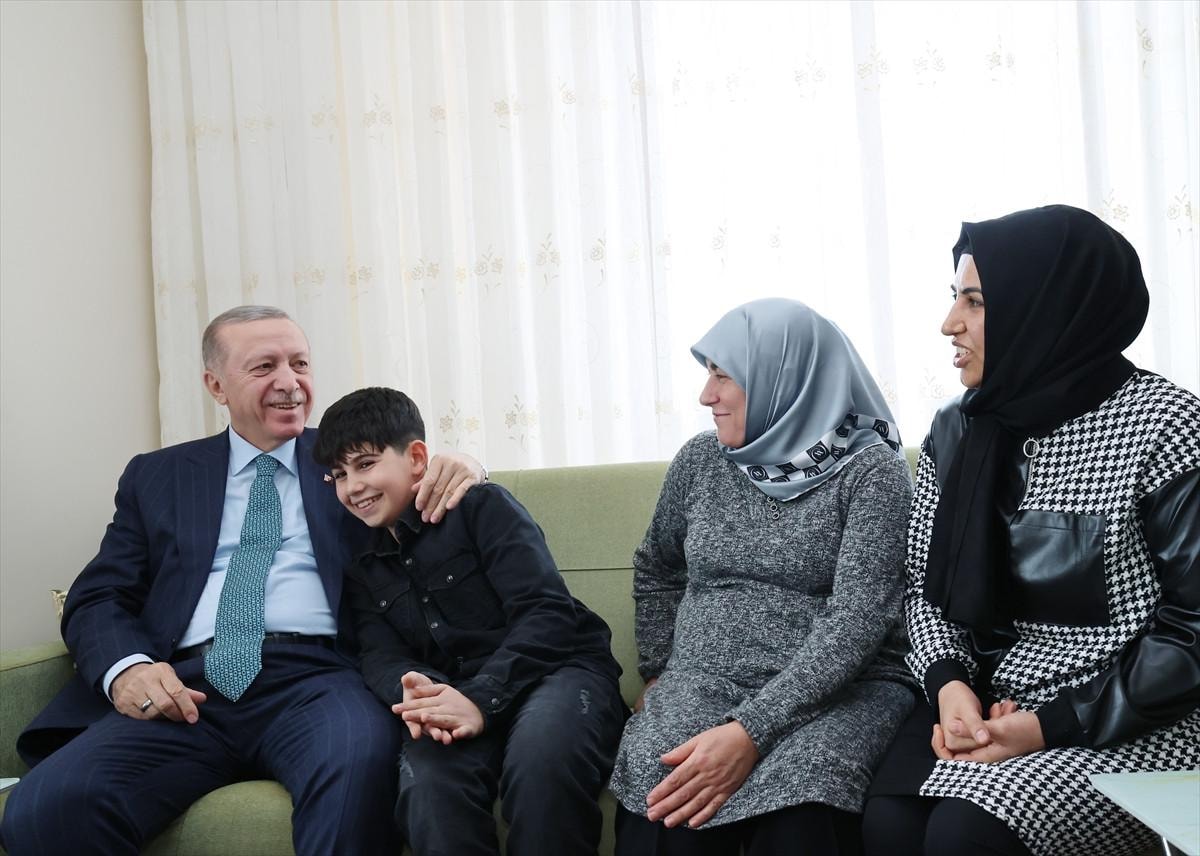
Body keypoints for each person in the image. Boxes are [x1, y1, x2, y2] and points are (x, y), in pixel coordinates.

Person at [0, 306, 485, 855]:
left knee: (357, 770)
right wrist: (128, 670)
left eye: (300, 363)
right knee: (45, 808)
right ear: (216, 385)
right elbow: (99, 596)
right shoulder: (157, 476)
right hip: (184, 689)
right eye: (264, 366)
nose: (290, 382)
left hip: (321, 679)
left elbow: (430, 489)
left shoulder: (357, 464)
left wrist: (470, 466)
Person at [862, 205, 1200, 856]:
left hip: (1136, 724)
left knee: (965, 834)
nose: (949, 323)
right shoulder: (958, 427)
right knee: (889, 824)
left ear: (1047, 308)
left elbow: (1193, 631)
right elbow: (924, 589)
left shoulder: (1166, 427)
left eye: (975, 302)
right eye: (954, 298)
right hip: (987, 699)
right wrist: (948, 685)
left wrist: (1051, 724)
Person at [608, 298, 917, 856]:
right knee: (664, 792)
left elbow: (857, 623)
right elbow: (658, 564)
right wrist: (657, 670)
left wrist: (751, 730)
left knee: (802, 804)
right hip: (703, 681)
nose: (706, 396)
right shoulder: (700, 461)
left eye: (723, 376)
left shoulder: (873, 474)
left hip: (841, 692)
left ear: (783, 379)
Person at [312, 385, 627, 855]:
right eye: (339, 475)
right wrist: (417, 691)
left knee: (541, 765)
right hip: (454, 692)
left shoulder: (481, 506)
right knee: (426, 787)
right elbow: (379, 654)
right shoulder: (362, 565)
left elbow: (547, 613)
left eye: (365, 464)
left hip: (557, 671)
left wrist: (480, 699)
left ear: (416, 458)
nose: (352, 486)